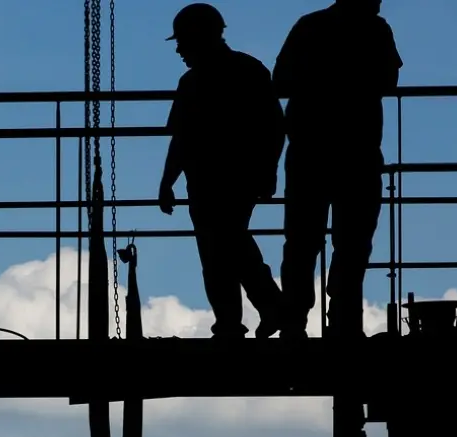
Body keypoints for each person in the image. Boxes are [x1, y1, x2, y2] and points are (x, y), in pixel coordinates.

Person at [273, 0, 402, 338]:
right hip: (357, 153)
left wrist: (317, 81)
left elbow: (280, 80)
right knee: (353, 243)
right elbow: (389, 81)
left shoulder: (309, 25)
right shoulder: (376, 30)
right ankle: (343, 321)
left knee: (302, 242)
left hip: (309, 152)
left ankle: (295, 321)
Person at [157, 3, 287, 339]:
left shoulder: (193, 82)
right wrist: (268, 171)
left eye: (182, 42)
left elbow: (181, 139)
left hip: (211, 180)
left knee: (219, 248)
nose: (179, 50)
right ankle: (261, 311)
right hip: (234, 178)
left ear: (197, 38)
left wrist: (167, 183)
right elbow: (275, 127)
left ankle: (241, 319)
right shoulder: (248, 70)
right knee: (228, 243)